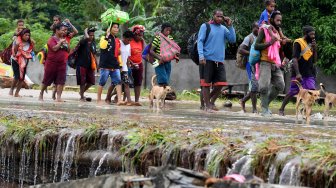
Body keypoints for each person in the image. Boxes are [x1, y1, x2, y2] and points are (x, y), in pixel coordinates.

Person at [197, 10, 236, 112]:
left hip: (219, 61)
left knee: (221, 83)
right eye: (217, 16)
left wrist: (230, 26)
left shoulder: (223, 29)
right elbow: (200, 41)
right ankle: (208, 106)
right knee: (206, 84)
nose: (219, 18)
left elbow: (232, 39)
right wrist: (201, 56)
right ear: (213, 16)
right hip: (207, 59)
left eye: (221, 17)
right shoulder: (205, 26)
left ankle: (209, 102)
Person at [278, 26, 317, 116]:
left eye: (314, 34)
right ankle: (281, 109)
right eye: (311, 34)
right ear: (305, 34)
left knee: (312, 91)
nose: (313, 36)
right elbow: (295, 59)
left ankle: (306, 111)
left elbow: (315, 60)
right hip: (298, 72)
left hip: (309, 72)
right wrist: (298, 73)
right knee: (293, 91)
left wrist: (315, 49)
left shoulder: (312, 44)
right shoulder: (298, 42)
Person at [254, 10, 285, 116]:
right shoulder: (264, 30)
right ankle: (264, 109)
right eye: (277, 20)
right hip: (264, 61)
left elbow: (279, 49)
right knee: (264, 87)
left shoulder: (278, 32)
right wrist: (269, 42)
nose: (279, 22)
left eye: (280, 20)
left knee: (281, 85)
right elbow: (256, 45)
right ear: (271, 20)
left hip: (275, 63)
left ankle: (265, 104)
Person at [39, 23, 70, 102]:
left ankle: (58, 97)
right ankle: (41, 94)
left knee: (61, 81)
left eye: (65, 31)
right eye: (62, 30)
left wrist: (66, 44)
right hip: (51, 63)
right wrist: (60, 43)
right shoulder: (51, 39)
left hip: (62, 63)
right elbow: (54, 48)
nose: (64, 32)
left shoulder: (65, 39)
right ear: (57, 30)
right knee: (46, 80)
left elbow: (68, 50)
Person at [97, 23, 124, 105]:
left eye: (117, 27)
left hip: (115, 64)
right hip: (105, 64)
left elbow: (118, 53)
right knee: (102, 82)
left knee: (118, 82)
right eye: (114, 27)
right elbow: (102, 46)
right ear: (110, 28)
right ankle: (98, 99)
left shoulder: (117, 40)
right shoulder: (103, 37)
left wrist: (120, 64)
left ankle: (119, 100)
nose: (116, 29)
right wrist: (106, 36)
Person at [239, 22, 259, 113]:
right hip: (250, 64)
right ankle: (254, 109)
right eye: (257, 28)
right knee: (254, 86)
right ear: (253, 28)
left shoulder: (261, 37)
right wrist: (251, 53)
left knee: (256, 86)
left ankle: (243, 100)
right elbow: (241, 49)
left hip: (259, 65)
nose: (259, 30)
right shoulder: (248, 38)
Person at [9, 29, 34, 97]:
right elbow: (14, 52)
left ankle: (17, 93)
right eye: (25, 35)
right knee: (17, 76)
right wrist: (17, 45)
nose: (27, 36)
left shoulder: (30, 43)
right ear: (22, 35)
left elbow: (30, 51)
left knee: (22, 78)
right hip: (15, 60)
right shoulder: (17, 41)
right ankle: (11, 90)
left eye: (28, 35)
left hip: (24, 61)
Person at [75, 27, 97, 101]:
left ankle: (81, 93)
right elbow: (86, 38)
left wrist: (97, 64)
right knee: (82, 81)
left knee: (91, 81)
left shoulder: (93, 43)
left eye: (93, 35)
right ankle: (81, 97)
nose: (91, 37)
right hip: (81, 64)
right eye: (90, 35)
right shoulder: (83, 41)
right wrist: (85, 31)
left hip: (90, 65)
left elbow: (94, 54)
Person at [128, 25, 146, 106]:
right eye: (138, 35)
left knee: (138, 83)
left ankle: (136, 100)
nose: (140, 37)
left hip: (139, 64)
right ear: (134, 34)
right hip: (129, 64)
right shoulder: (129, 41)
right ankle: (119, 98)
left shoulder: (141, 41)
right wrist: (131, 63)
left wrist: (143, 40)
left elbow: (145, 51)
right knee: (126, 82)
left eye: (141, 35)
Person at [119, 30, 134, 105]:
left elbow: (128, 57)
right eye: (128, 40)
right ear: (124, 37)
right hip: (117, 67)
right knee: (114, 84)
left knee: (126, 83)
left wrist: (129, 67)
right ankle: (108, 98)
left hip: (124, 67)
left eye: (130, 40)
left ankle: (129, 101)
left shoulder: (129, 45)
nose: (129, 42)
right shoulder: (118, 43)